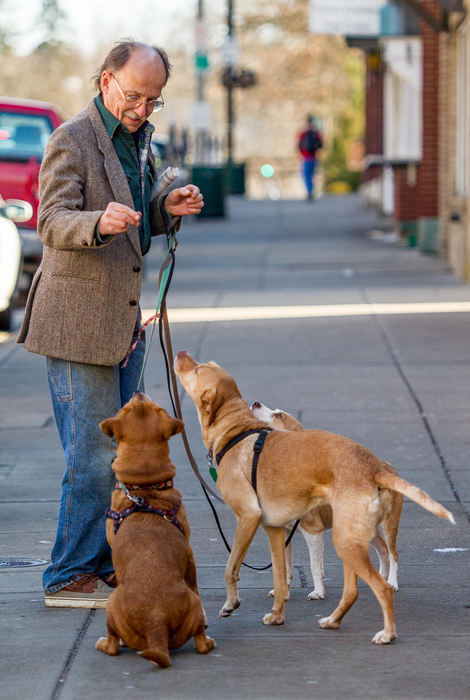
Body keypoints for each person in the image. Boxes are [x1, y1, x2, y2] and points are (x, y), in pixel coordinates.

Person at [17, 40, 204, 608]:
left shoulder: (137, 141)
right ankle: (68, 576)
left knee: (120, 454)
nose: (142, 109)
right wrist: (97, 222)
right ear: (105, 81)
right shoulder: (70, 138)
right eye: (133, 96)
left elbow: (135, 220)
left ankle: (98, 566)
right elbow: (51, 221)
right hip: (78, 325)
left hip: (123, 324)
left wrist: (162, 209)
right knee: (92, 456)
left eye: (153, 100)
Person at [298, 115, 323, 200]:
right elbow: (320, 145)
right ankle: (311, 190)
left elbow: (299, 146)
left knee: (306, 175)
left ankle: (309, 191)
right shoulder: (316, 134)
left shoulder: (303, 134)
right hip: (314, 158)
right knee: (312, 175)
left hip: (305, 158)